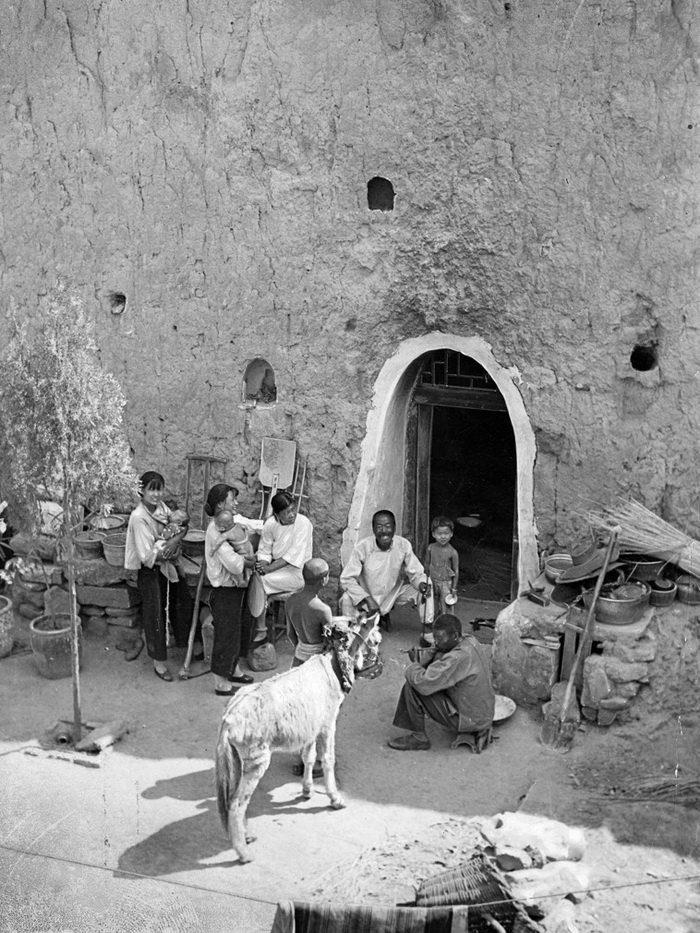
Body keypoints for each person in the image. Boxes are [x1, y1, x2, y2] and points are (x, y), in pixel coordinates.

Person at [124, 471, 194, 681]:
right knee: (154, 613)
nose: (156, 494)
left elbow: (181, 528)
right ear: (141, 491)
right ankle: (159, 661)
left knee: (182, 601)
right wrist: (170, 546)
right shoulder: (139, 518)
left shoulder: (163, 509)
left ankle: (185, 644)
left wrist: (174, 542)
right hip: (150, 569)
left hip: (167, 563)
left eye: (159, 489)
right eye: (151, 489)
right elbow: (147, 556)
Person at [388, 613, 495, 751]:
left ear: (455, 636)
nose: (436, 642)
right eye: (435, 638)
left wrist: (415, 663)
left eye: (439, 638)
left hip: (471, 720)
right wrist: (432, 651)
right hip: (484, 713)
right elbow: (438, 653)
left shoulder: (457, 658)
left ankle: (419, 738)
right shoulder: (469, 640)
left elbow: (422, 683)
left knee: (412, 686)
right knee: (437, 658)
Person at [204, 484, 260, 696]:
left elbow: (250, 528)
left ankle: (233, 669)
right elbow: (234, 564)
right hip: (225, 590)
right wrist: (249, 562)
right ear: (220, 504)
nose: (236, 503)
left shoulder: (230, 523)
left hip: (237, 588)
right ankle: (220, 681)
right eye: (231, 499)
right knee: (226, 635)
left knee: (238, 631)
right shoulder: (215, 531)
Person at [339, 509, 430, 630]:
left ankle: (428, 629)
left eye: (388, 526)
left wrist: (421, 584)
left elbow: (416, 573)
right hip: (367, 596)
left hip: (392, 594)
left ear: (394, 527)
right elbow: (346, 579)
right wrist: (367, 598)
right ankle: (349, 634)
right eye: (379, 527)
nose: (384, 531)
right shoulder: (362, 547)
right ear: (373, 528)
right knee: (346, 598)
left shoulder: (403, 545)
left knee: (427, 587)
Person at [285, 558, 333, 778]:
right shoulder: (322, 609)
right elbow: (329, 642)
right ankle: (313, 763)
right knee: (318, 714)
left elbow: (289, 634)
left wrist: (300, 650)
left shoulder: (291, 601)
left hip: (298, 658)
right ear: (324, 580)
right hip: (315, 662)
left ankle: (298, 759)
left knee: (299, 711)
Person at [426, 516, 459, 616]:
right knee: (432, 605)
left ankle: (446, 625)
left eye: (446, 533)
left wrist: (454, 588)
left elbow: (456, 571)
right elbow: (426, 564)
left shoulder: (453, 552)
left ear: (451, 534)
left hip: (446, 583)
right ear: (433, 534)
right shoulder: (430, 548)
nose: (443, 537)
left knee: (446, 606)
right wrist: (426, 580)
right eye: (439, 534)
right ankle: (433, 624)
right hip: (432, 580)